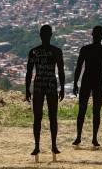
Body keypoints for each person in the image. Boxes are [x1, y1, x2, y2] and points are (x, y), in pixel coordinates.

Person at [25, 25, 65, 156]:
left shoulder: (34, 51)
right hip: (49, 85)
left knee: (44, 117)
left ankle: (47, 146)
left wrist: (27, 89)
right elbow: (29, 71)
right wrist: (62, 87)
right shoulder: (55, 51)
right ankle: (45, 146)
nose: (46, 37)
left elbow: (29, 72)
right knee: (45, 117)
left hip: (41, 85)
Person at [72, 26, 102, 148]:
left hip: (87, 79)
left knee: (83, 110)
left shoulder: (85, 49)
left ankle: (79, 137)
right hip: (98, 80)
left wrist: (75, 83)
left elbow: (79, 67)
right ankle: (93, 138)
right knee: (96, 111)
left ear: (92, 34)